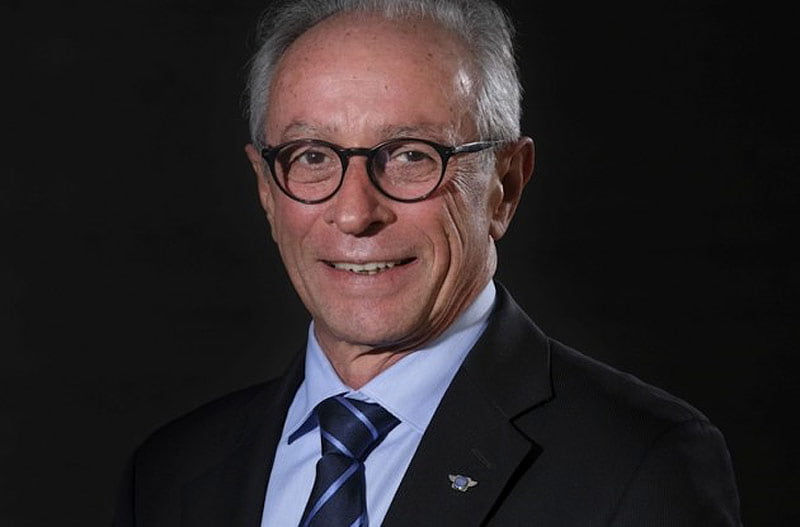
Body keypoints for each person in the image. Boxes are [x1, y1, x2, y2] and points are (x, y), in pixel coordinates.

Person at [113, 0, 741, 525]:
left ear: (504, 186)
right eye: (312, 157)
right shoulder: (170, 474)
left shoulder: (640, 464)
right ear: (266, 191)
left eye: (412, 155)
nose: (355, 213)